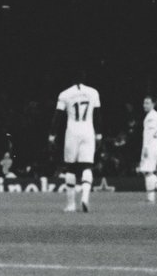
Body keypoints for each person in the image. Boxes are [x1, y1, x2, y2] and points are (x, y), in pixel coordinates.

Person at [49, 78, 102, 212]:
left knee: (70, 168)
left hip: (72, 132)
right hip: (88, 131)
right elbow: (97, 115)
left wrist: (52, 135)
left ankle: (71, 204)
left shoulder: (65, 94)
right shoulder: (93, 92)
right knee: (87, 166)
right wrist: (99, 135)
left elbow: (58, 116)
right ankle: (84, 198)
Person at [139, 95, 157, 203]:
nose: (144, 105)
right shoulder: (154, 115)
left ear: (153, 104)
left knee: (147, 171)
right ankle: (156, 193)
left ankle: (156, 193)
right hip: (154, 145)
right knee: (148, 171)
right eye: (144, 103)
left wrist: (146, 148)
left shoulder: (152, 116)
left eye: (147, 103)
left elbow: (149, 134)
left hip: (150, 146)